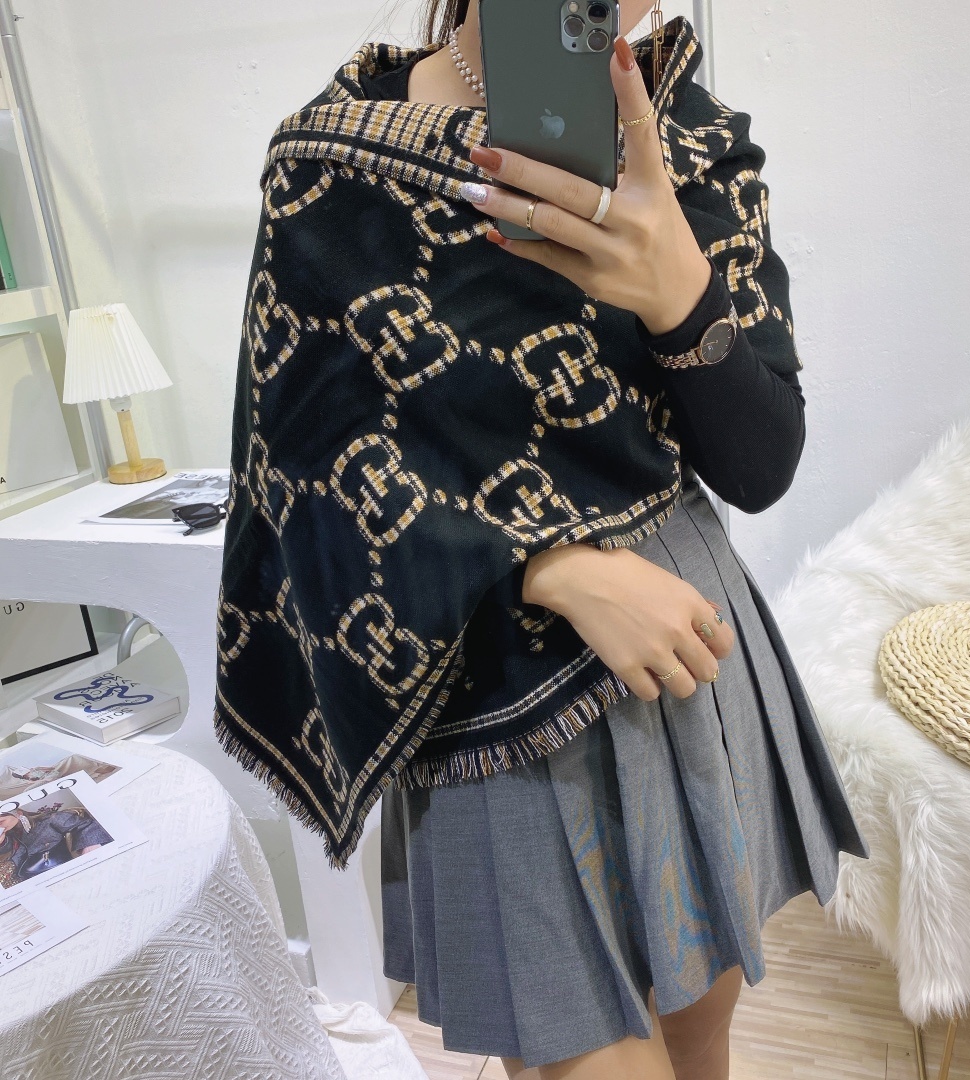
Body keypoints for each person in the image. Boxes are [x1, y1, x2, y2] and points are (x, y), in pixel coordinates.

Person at [218, 3, 870, 1078]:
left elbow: (761, 466)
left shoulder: (687, 135)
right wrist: (549, 564)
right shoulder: (332, 167)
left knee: (700, 1043)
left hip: (685, 655)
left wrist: (679, 294)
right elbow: (301, 481)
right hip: (488, 684)